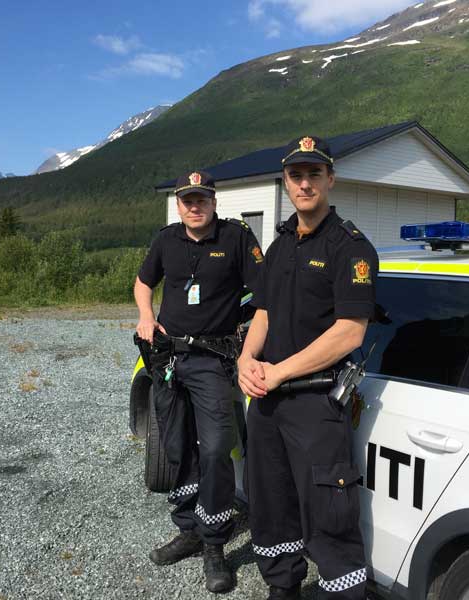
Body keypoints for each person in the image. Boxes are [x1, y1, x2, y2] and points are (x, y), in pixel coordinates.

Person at [237, 136, 378, 599]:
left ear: (330, 179)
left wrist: (279, 372)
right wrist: (246, 360)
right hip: (267, 401)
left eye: (314, 174)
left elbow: (349, 333)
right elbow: (263, 313)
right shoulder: (279, 246)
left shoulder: (350, 248)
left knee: (329, 518)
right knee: (271, 505)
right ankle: (282, 588)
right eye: (296, 175)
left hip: (315, 403)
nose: (304, 183)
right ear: (286, 182)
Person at [134, 170, 263, 593]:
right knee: (176, 446)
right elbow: (142, 282)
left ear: (213, 200)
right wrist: (146, 316)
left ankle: (214, 545)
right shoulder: (166, 239)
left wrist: (248, 350)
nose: (194, 206)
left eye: (201, 199)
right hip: (170, 359)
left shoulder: (236, 238)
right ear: (178, 203)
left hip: (212, 361)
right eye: (187, 199)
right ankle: (188, 527)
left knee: (214, 452)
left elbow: (263, 297)